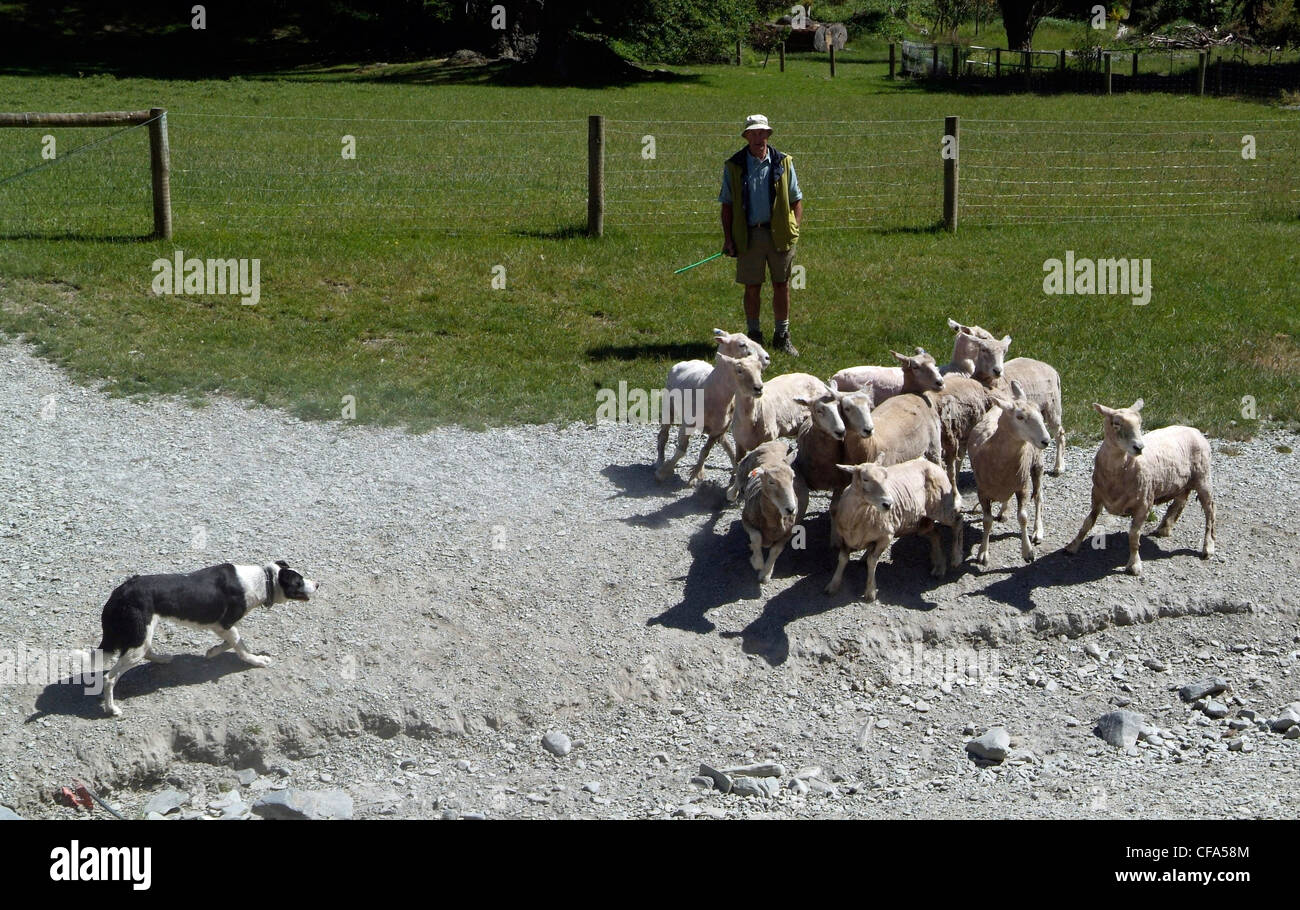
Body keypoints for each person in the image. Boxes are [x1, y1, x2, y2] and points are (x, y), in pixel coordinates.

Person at [719, 114, 803, 356]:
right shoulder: (734, 166)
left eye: (762, 133)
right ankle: (754, 336)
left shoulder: (784, 162)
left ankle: (782, 335)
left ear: (768, 135)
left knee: (781, 284)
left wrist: (794, 229)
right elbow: (726, 205)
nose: (758, 138)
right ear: (746, 137)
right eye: (753, 133)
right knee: (752, 287)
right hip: (749, 235)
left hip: (780, 234)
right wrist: (729, 238)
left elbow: (797, 199)